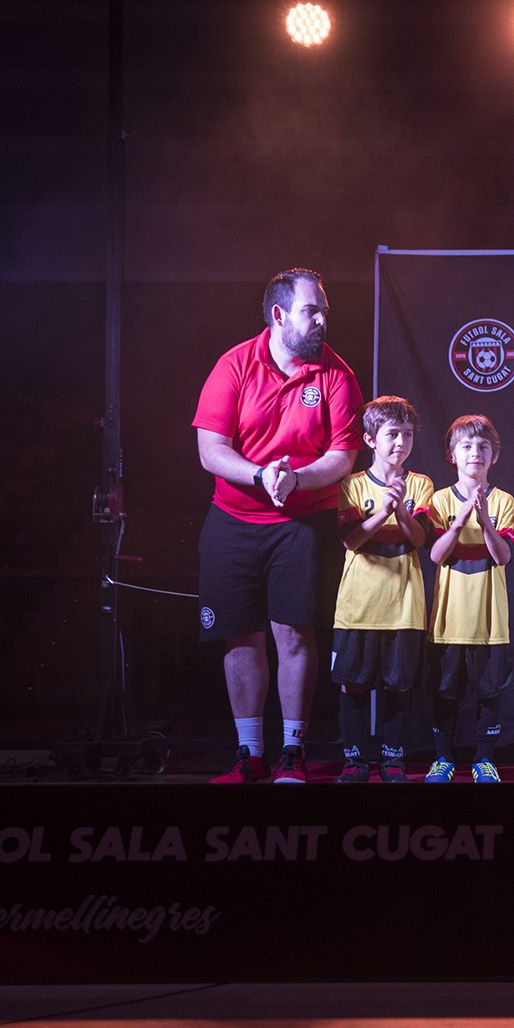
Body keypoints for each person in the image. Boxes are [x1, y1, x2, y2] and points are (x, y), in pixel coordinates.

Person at [194, 267, 362, 784]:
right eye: (313, 311)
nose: (322, 321)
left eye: (324, 311)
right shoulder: (234, 365)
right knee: (240, 636)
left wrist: (298, 480)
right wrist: (262, 475)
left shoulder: (337, 374)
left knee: (293, 634)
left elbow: (343, 457)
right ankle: (249, 754)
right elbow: (210, 452)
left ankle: (293, 753)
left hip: (303, 521)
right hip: (234, 519)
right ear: (279, 314)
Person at [330, 396, 434, 783]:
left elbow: (420, 538)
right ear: (371, 439)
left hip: (404, 606)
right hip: (358, 605)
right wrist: (381, 512)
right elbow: (350, 540)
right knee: (353, 683)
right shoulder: (352, 485)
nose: (400, 443)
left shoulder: (421, 485)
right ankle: (355, 762)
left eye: (407, 435)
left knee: (400, 684)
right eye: (392, 434)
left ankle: (392, 760)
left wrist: (401, 509)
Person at [424, 416, 514, 784]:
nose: (474, 453)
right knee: (446, 692)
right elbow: (435, 555)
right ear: (452, 455)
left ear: (494, 456)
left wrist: (484, 520)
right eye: (466, 446)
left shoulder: (504, 501)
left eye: (482, 447)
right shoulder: (440, 499)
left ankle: (484, 759)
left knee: (489, 693)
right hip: (448, 619)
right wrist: (459, 519)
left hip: (489, 621)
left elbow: (503, 556)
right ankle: (443, 759)